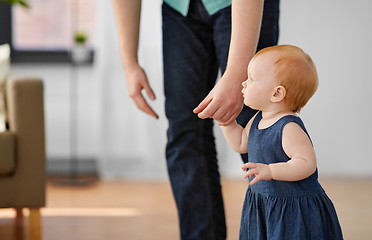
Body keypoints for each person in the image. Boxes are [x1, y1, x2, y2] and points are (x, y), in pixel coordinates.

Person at [112, 0, 279, 239]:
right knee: (185, 131)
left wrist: (236, 74)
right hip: (179, 9)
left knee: (258, 126)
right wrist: (129, 64)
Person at [220, 45, 343, 239]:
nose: (243, 83)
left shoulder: (288, 127)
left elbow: (306, 163)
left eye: (251, 79)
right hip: (263, 202)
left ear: (276, 94)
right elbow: (242, 142)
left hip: (292, 208)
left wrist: (270, 170)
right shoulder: (259, 117)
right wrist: (226, 123)